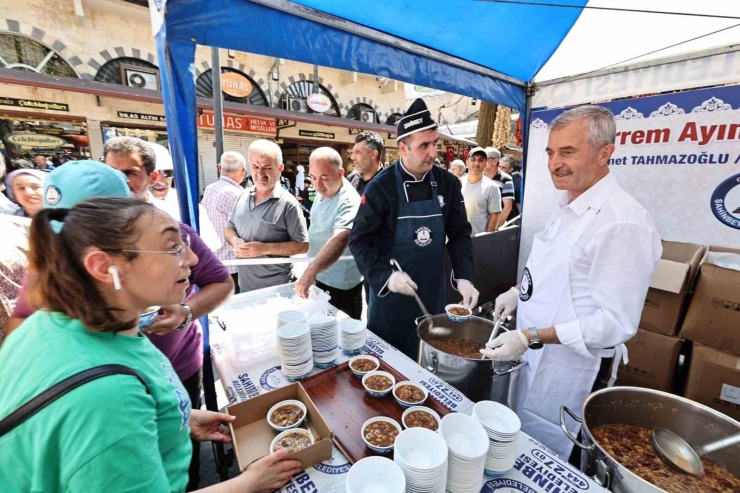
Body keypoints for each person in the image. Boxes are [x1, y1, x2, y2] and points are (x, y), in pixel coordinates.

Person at [0, 197, 301, 492]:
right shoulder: (109, 398)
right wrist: (248, 483)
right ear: (104, 267)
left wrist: (171, 418)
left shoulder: (52, 323)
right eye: (173, 247)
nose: (192, 258)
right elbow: (106, 412)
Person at [483, 106, 661, 460]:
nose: (554, 163)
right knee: (518, 444)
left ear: (605, 153)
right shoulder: (566, 203)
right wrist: (519, 294)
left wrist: (530, 336)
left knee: (551, 455)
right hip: (533, 357)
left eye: (568, 152)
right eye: (551, 152)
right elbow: (558, 275)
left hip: (573, 371)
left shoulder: (622, 223)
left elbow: (615, 324)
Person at [349, 99, 479, 359]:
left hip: (433, 294)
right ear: (403, 149)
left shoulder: (448, 184)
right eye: (424, 146)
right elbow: (360, 242)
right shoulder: (381, 188)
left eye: (435, 144)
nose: (433, 153)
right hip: (391, 300)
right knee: (390, 366)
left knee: (429, 362)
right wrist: (387, 277)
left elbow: (460, 233)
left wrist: (464, 276)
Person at [224, 140, 308, 292]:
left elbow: (302, 246)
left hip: (277, 289)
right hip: (245, 285)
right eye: (255, 167)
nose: (260, 173)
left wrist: (264, 249)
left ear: (280, 168)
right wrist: (235, 240)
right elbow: (230, 228)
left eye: (267, 167)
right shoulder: (242, 196)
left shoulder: (289, 204)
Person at [295, 148, 363, 319]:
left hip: (341, 284)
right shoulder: (324, 190)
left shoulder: (348, 200)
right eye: (313, 177)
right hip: (321, 275)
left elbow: (341, 238)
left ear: (340, 173)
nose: (318, 185)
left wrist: (311, 270)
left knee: (344, 336)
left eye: (324, 177)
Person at [202, 151, 247, 293]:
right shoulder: (238, 195)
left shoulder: (209, 189)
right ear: (243, 171)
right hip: (232, 266)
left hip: (212, 262)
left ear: (220, 168)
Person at [461, 147, 501, 235]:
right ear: (466, 162)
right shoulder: (458, 183)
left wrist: (485, 240)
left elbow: (494, 216)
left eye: (481, 160)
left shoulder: (492, 187)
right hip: (457, 239)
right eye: (473, 159)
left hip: (478, 240)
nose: (476, 163)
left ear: (486, 163)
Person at [484, 147, 515, 229]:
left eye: (484, 158)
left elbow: (507, 207)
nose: (481, 161)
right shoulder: (479, 177)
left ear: (495, 161)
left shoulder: (506, 179)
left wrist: (494, 228)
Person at [348, 131, 384, 195]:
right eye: (353, 152)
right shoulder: (351, 178)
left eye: (357, 152)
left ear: (373, 154)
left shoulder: (390, 185)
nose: (352, 157)